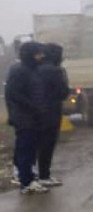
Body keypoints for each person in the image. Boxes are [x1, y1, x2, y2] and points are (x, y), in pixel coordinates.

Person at [4, 42, 48, 194]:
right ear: (30, 54)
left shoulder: (32, 70)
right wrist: (32, 107)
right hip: (25, 118)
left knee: (31, 149)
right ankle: (25, 182)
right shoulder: (19, 71)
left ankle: (29, 177)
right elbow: (13, 94)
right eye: (38, 54)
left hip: (33, 117)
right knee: (25, 149)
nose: (41, 56)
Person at [36, 43, 70, 187]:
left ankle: (33, 174)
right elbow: (63, 92)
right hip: (51, 112)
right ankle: (44, 175)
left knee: (36, 144)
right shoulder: (56, 71)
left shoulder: (34, 69)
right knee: (47, 145)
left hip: (34, 113)